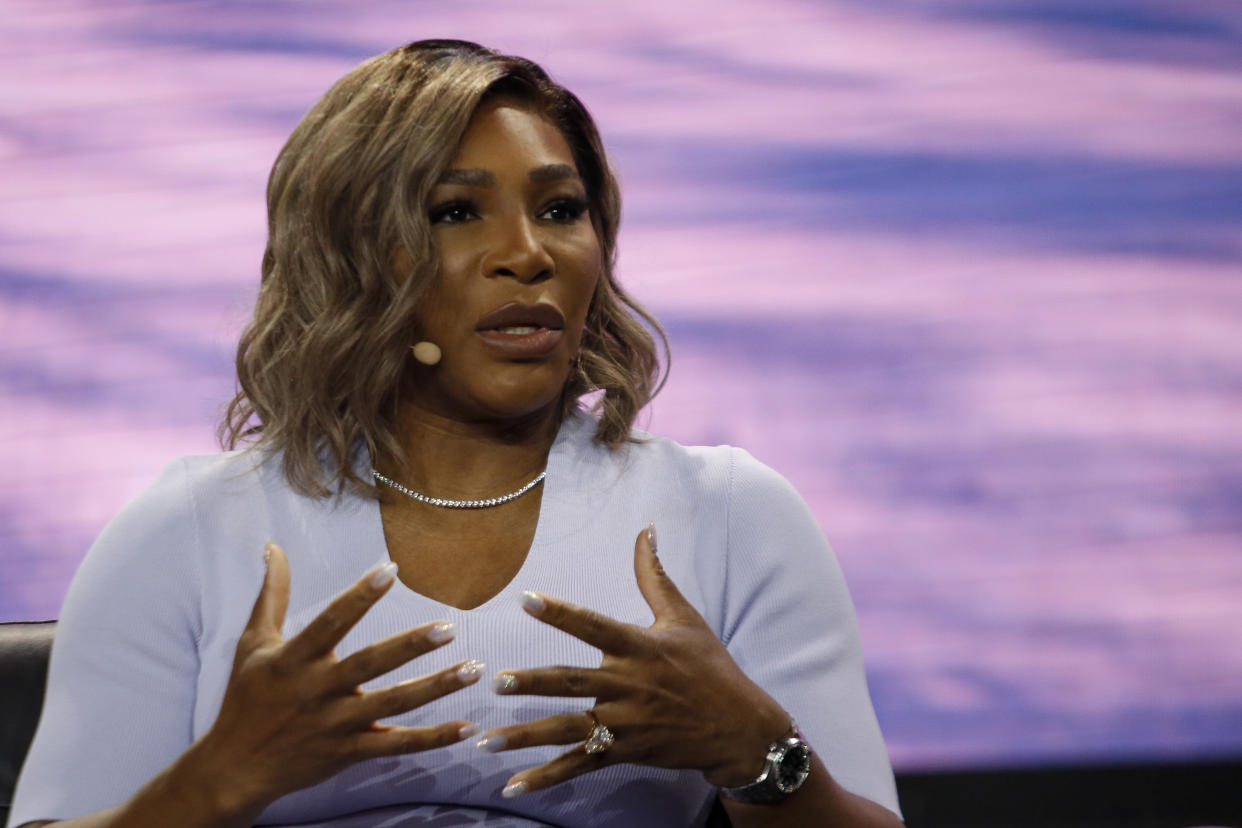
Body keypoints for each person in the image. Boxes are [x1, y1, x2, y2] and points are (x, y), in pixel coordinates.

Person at [8, 40, 903, 828]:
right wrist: (216, 783)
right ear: (348, 253)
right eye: (453, 212)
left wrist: (761, 756)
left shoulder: (729, 512)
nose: (528, 252)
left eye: (560, 209)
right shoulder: (194, 525)